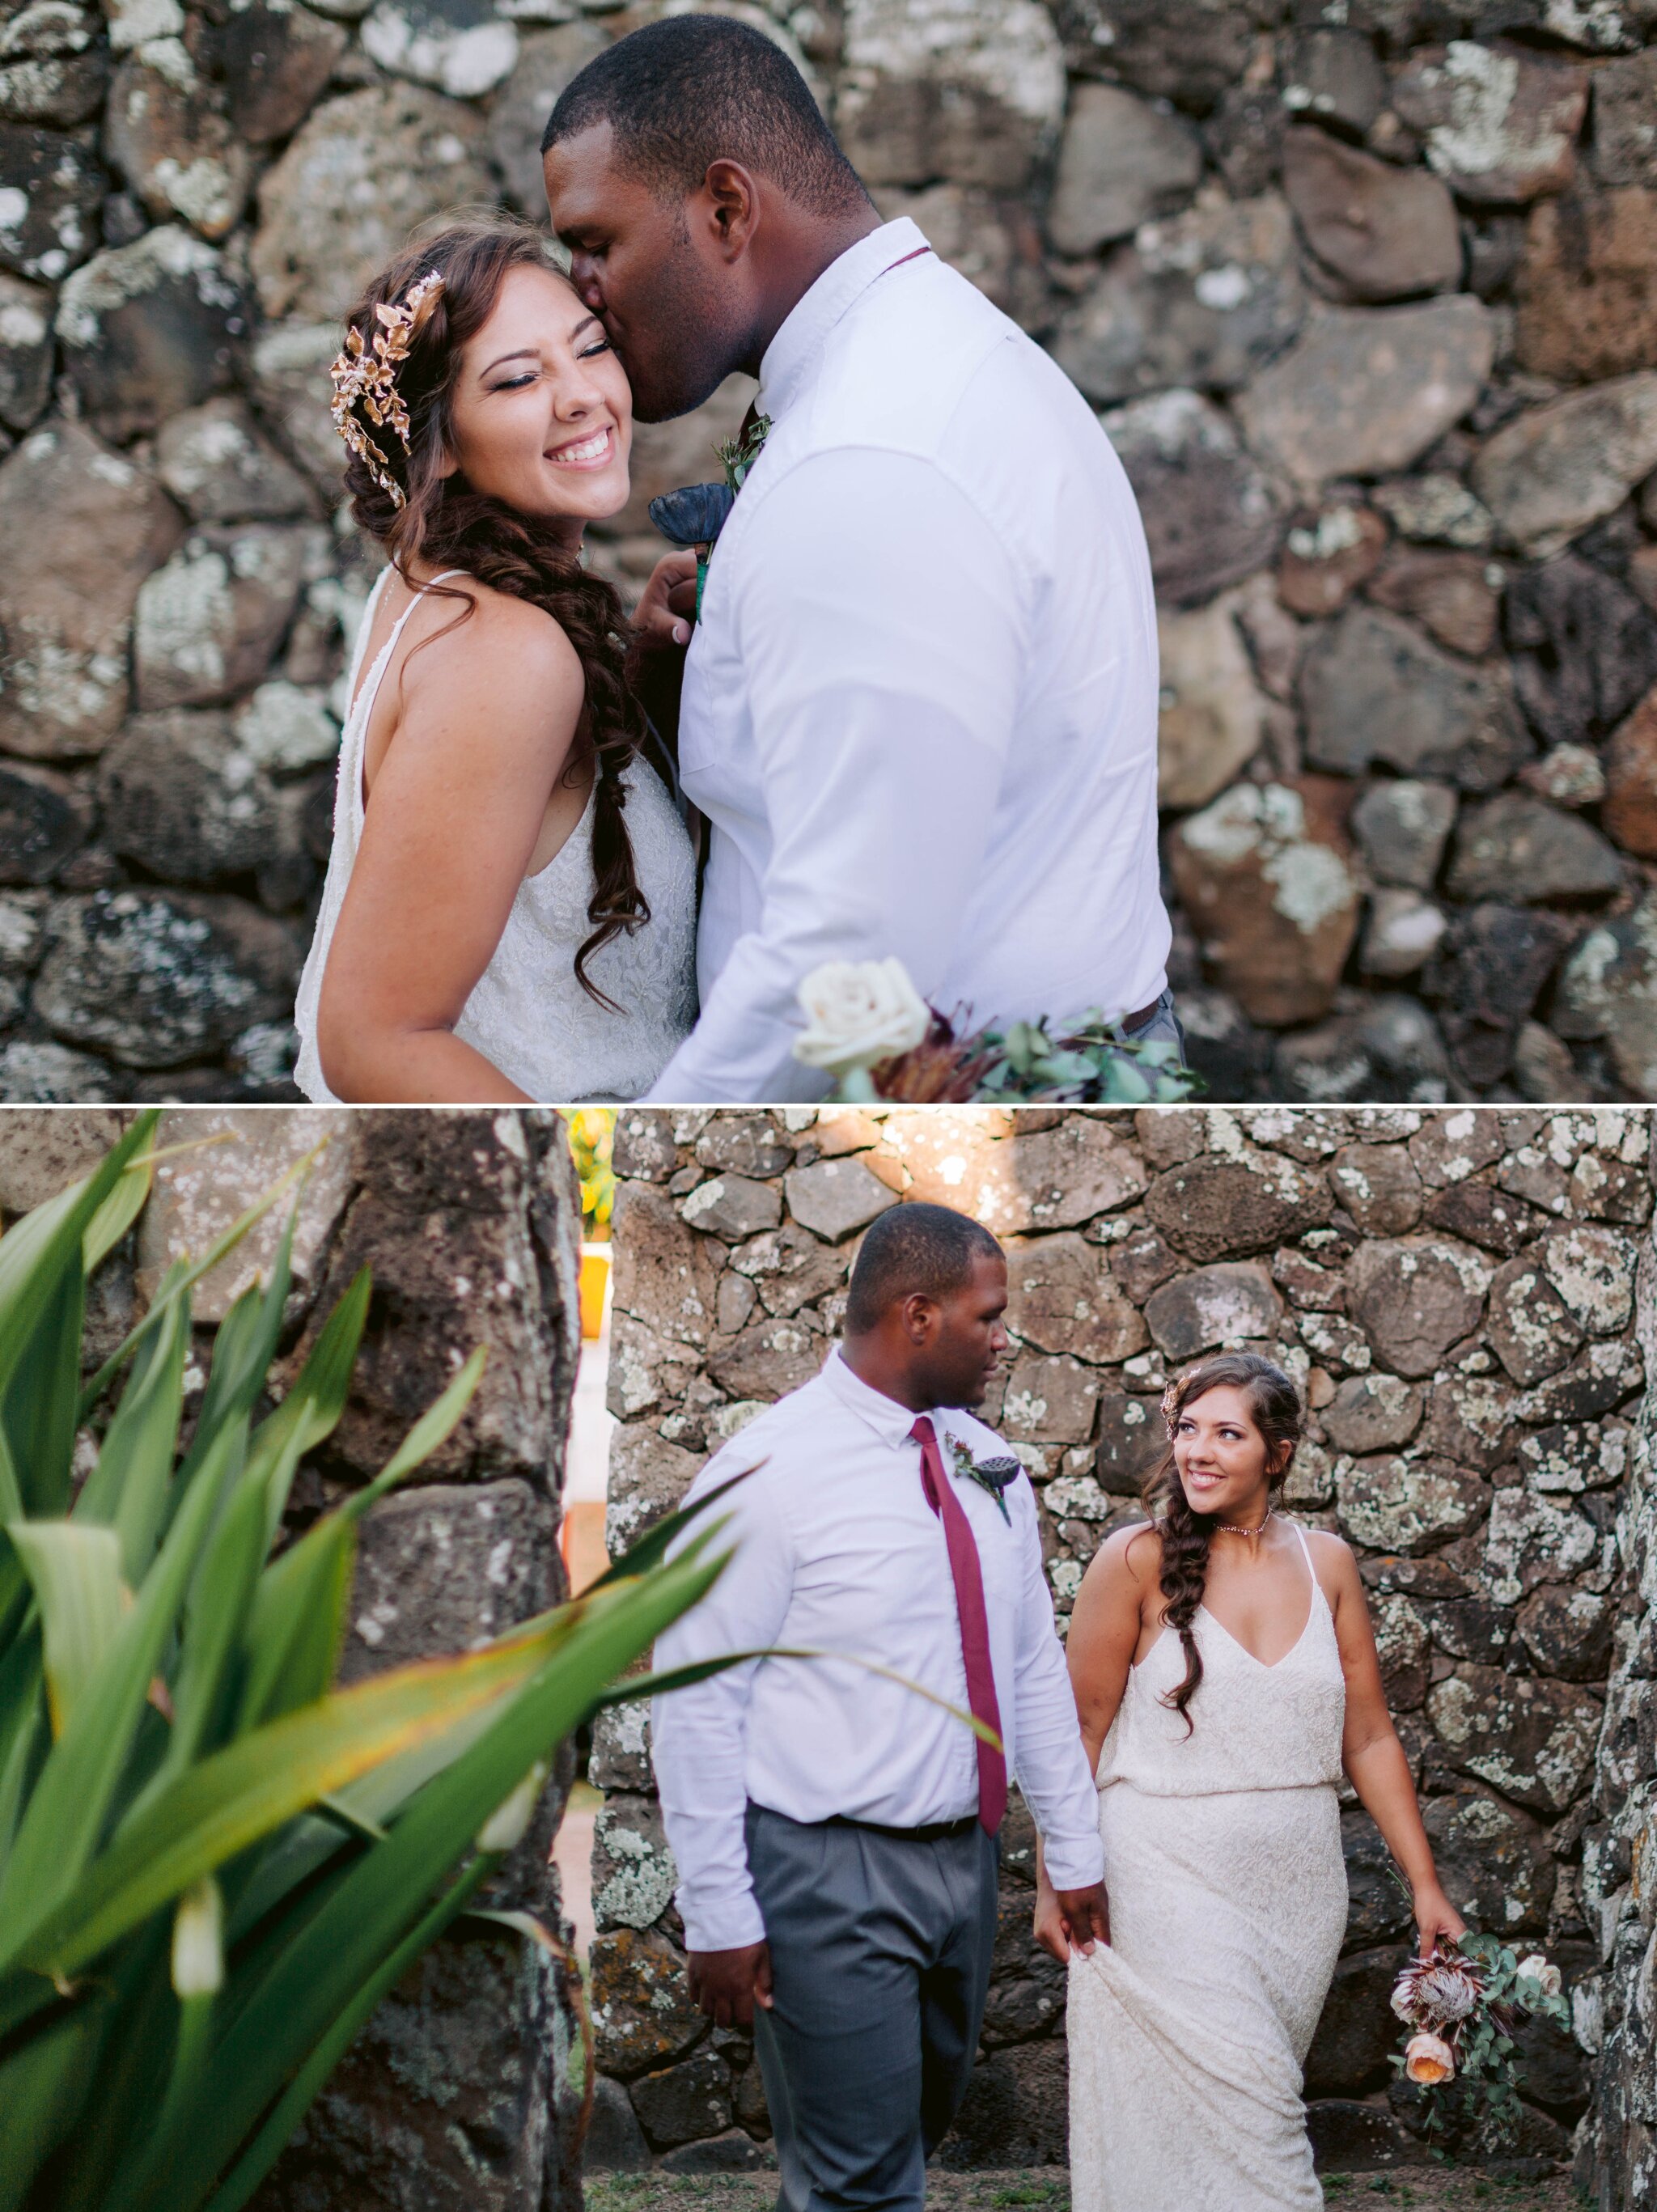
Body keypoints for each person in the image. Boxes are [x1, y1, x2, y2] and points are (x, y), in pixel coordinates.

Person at [542, 16, 1176, 1104]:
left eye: (596, 243)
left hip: (978, 1097)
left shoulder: (868, 457)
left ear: (727, 208)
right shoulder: (924, 356)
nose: (578, 288)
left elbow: (850, 950)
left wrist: (651, 1151)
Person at [651, 1202, 1108, 2211]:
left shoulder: (987, 1465)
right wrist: (718, 1909)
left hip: (964, 1863)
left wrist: (1071, 1853)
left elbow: (1030, 1662)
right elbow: (697, 1702)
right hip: (825, 1873)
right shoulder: (765, 1475)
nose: (1002, 1338)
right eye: (986, 1317)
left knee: (892, 2141)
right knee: (862, 2179)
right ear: (915, 1316)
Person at [1039, 1353, 1467, 2212]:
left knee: (1231, 2114)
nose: (1197, 1451)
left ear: (1275, 1453)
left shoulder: (1327, 1564)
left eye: (1226, 1433)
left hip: (1297, 1893)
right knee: (1258, 2120)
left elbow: (1370, 1736)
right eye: (1186, 1428)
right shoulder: (1132, 1560)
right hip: (1161, 1871)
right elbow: (1074, 1732)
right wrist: (1056, 1878)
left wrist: (1424, 1883)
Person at [293, 215, 697, 1104]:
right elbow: (372, 1042)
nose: (582, 395)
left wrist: (639, 677)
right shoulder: (504, 652)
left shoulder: (427, 583)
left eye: (589, 349)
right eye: (518, 379)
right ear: (437, 446)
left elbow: (524, 840)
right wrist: (568, 1193)